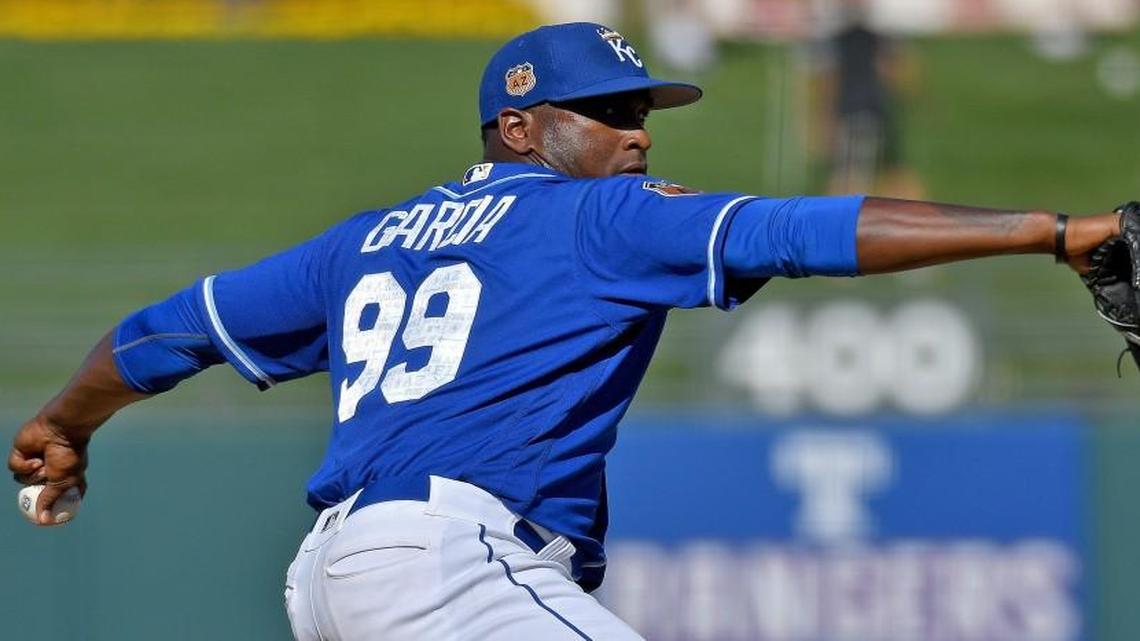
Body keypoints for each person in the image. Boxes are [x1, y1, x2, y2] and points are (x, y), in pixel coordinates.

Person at [7, 22, 1121, 641]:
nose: (636, 136)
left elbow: (169, 329)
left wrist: (68, 419)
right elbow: (806, 227)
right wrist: (1054, 228)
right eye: (611, 114)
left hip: (333, 587)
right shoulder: (599, 218)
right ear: (519, 125)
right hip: (447, 563)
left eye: (641, 114)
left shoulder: (365, 243)